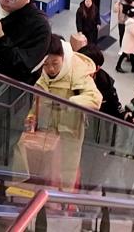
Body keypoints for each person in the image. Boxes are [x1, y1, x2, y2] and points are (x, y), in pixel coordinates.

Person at [28, 35, 102, 191]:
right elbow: (37, 101)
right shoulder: (42, 74)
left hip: (70, 130)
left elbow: (95, 98)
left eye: (55, 63)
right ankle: (43, 200)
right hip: (46, 129)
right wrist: (31, 117)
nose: (51, 69)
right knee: (44, 169)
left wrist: (70, 103)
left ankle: (65, 203)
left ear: (63, 57)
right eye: (46, 64)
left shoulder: (77, 70)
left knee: (67, 170)